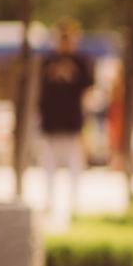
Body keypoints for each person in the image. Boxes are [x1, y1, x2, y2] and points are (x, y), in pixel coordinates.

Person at [36, 18, 95, 223]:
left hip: (72, 122)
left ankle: (74, 202)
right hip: (52, 123)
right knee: (49, 165)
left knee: (74, 164)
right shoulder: (47, 61)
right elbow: (41, 90)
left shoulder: (81, 61)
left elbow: (88, 86)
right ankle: (49, 200)